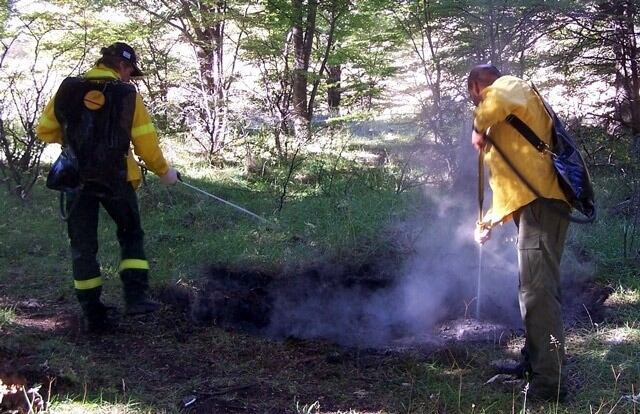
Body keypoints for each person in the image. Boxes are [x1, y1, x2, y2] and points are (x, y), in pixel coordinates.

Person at [36, 42, 179, 333]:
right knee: (130, 234)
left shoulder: (68, 89)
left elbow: (44, 130)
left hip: (76, 179)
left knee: (83, 245)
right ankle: (136, 298)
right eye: (130, 71)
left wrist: (76, 141)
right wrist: (164, 173)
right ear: (123, 67)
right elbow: (146, 143)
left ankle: (93, 313)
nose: (130, 78)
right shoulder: (127, 95)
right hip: (116, 178)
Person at [468, 65, 570, 400]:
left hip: (544, 205)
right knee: (531, 288)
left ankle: (547, 385)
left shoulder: (507, 86)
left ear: (476, 86)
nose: (476, 103)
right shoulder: (504, 120)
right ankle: (535, 363)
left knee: (537, 292)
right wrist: (486, 224)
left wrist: (478, 127)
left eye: (474, 95)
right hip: (534, 206)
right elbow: (507, 185)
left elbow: (494, 98)